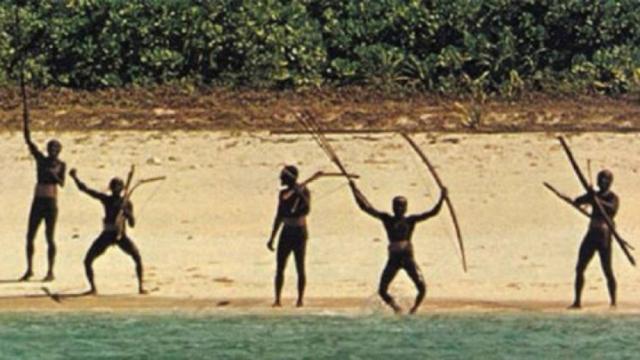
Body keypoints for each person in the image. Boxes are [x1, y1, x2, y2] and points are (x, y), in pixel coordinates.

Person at [348, 180, 446, 314]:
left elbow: (432, 213)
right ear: (392, 207)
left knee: (422, 288)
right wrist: (354, 189)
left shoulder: (410, 220)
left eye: (401, 206)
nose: (399, 208)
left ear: (406, 208)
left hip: (407, 258)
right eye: (396, 206)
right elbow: (366, 207)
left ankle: (413, 310)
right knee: (382, 290)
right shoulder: (387, 219)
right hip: (393, 259)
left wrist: (442, 198)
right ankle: (396, 308)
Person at [69, 169, 146, 295]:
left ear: (122, 189)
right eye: (115, 187)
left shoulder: (126, 203)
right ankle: (93, 288)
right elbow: (86, 190)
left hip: (120, 236)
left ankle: (140, 287)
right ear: (111, 188)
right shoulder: (107, 200)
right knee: (87, 260)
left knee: (137, 257)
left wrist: (127, 213)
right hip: (107, 235)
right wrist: (75, 178)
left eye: (119, 187)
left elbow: (132, 224)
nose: (117, 189)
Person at [21, 113, 66, 281]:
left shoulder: (61, 165)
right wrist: (26, 125)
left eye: (55, 149)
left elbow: (62, 183)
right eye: (50, 149)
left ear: (59, 151)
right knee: (30, 235)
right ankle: (29, 269)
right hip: (38, 199)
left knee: (49, 237)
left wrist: (53, 174)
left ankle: (50, 271)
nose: (52, 151)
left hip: (51, 201)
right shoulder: (41, 160)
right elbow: (29, 142)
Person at [569, 170, 618, 309]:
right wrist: (590, 196)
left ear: (609, 182)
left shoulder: (612, 197)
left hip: (604, 237)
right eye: (600, 179)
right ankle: (577, 301)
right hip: (591, 234)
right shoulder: (593, 195)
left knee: (607, 270)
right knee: (580, 267)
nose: (602, 182)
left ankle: (613, 302)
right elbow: (577, 201)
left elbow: (612, 209)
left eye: (605, 179)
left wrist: (597, 200)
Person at [266, 165, 310, 307]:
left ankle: (300, 300)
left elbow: (307, 209)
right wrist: (272, 237)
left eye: (283, 177)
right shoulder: (283, 194)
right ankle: (277, 299)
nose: (280, 179)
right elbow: (279, 216)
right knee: (280, 266)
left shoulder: (304, 191)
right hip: (286, 231)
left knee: (300, 266)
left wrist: (300, 193)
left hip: (299, 232)